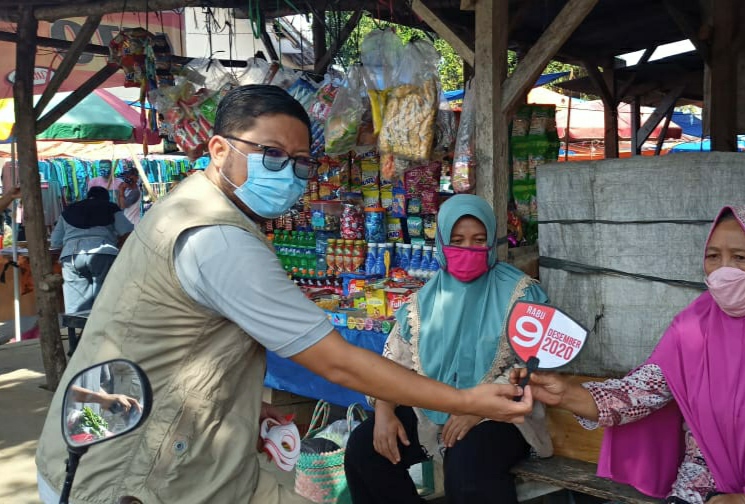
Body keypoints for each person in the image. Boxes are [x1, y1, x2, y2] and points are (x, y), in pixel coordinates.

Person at [35, 85, 532, 504]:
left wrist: (238, 406)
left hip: (154, 445)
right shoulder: (218, 240)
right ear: (219, 149)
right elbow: (338, 362)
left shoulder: (190, 208)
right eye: (269, 153)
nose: (287, 172)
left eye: (298, 161)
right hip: (129, 473)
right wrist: (463, 398)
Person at [517, 205, 745, 504]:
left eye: (741, 257)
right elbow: (642, 392)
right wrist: (567, 394)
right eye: (714, 256)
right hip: (707, 479)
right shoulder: (694, 325)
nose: (724, 270)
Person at [345, 195, 553, 504]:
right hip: (435, 409)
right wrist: (385, 412)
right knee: (365, 449)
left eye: (478, 240)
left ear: (491, 243)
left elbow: (535, 365)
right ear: (442, 243)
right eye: (457, 241)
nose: (468, 249)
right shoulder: (424, 301)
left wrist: (476, 409)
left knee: (468, 464)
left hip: (504, 413)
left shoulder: (521, 293)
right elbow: (394, 362)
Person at [50, 187, 134, 314]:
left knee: (76, 309)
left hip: (71, 257)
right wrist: (118, 244)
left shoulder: (68, 210)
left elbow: (55, 242)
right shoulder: (110, 207)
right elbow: (128, 232)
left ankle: (78, 332)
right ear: (105, 198)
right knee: (104, 302)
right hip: (103, 253)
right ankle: (102, 331)